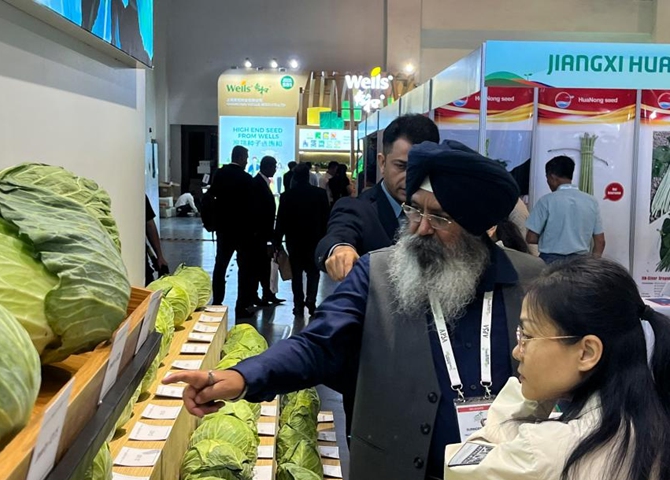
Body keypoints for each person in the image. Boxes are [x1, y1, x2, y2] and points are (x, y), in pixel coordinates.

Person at [164, 140, 546, 480]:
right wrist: (241, 377)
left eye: (440, 218)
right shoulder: (377, 272)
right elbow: (317, 344)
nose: (421, 228)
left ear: (482, 228)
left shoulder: (534, 283)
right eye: (414, 210)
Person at [445, 256, 670, 480]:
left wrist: (530, 397)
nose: (517, 351)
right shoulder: (654, 422)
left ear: (587, 353)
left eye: (528, 336)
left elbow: (458, 467)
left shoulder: (542, 453)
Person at [315, 114, 441, 281]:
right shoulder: (358, 209)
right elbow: (339, 233)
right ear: (382, 163)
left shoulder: (443, 211)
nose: (410, 177)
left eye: (420, 168)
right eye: (401, 166)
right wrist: (339, 249)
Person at [525, 155, 605, 264]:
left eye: (547, 178)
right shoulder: (591, 201)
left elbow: (531, 238)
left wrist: (551, 238)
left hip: (551, 261)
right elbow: (600, 241)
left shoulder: (546, 201)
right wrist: (592, 264)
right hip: (580, 262)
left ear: (552, 177)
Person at [275, 164, 330, 316]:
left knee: (296, 275)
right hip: (315, 241)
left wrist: (277, 241)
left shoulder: (287, 196)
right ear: (308, 176)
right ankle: (311, 301)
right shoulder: (319, 194)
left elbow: (281, 221)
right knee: (313, 272)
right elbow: (326, 218)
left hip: (294, 242)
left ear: (294, 178)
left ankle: (298, 305)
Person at [209, 146, 256, 317]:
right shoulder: (246, 179)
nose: (247, 161)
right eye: (246, 158)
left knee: (220, 265)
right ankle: (241, 306)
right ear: (241, 157)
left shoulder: (220, 174)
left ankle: (217, 301)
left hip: (223, 229)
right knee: (244, 269)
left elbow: (212, 197)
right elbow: (251, 208)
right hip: (243, 232)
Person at [248, 156, 284, 314]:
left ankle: (267, 294)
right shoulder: (257, 184)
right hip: (259, 235)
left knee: (265, 266)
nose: (276, 169)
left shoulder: (262, 183)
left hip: (264, 234)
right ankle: (258, 295)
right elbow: (258, 211)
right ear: (267, 167)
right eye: (274, 166)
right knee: (259, 266)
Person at [145, 195, 169, 285]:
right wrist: (160, 256)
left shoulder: (140, 197)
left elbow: (150, 226)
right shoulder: (139, 196)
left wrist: (160, 256)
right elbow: (150, 226)